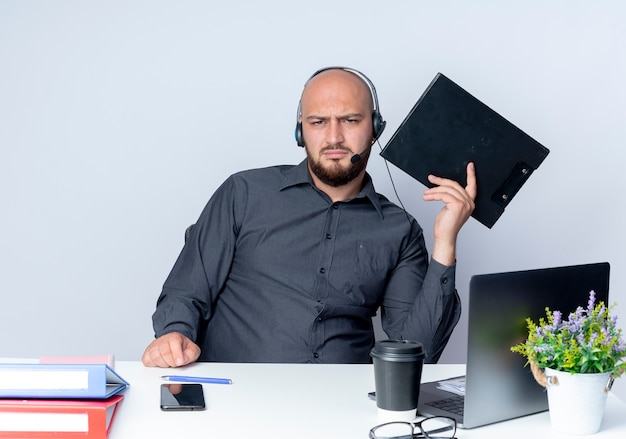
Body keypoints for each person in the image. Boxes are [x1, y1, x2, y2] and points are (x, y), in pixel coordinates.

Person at [142, 67, 476, 367]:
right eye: (318, 122)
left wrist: (445, 244)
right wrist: (174, 334)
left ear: (375, 128)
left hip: (343, 409)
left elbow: (416, 351)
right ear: (301, 131)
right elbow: (185, 292)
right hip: (237, 399)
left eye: (350, 120)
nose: (334, 138)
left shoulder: (399, 229)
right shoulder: (243, 193)